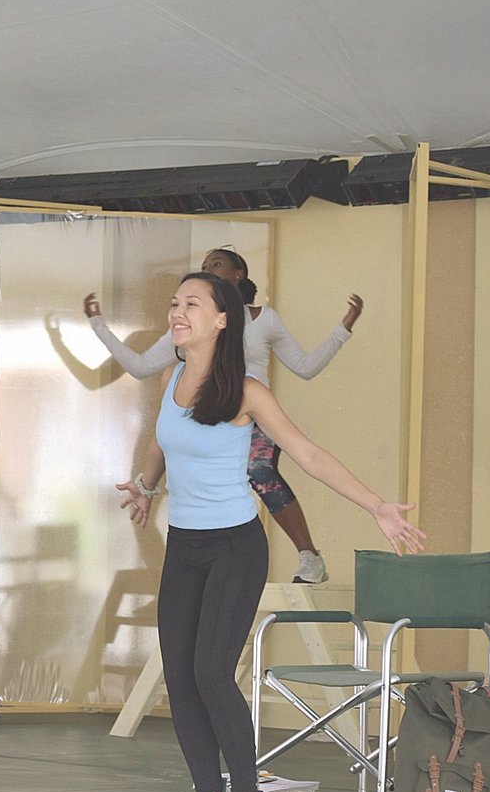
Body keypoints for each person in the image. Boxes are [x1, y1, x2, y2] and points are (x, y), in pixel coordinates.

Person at [117, 271, 423, 792]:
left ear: (222, 320)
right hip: (184, 545)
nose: (177, 312)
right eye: (175, 303)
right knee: (180, 676)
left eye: (191, 304)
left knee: (211, 672)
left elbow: (308, 454)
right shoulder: (174, 376)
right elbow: (163, 439)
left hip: (234, 546)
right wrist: (146, 486)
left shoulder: (247, 392)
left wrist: (376, 505)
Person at [86, 247, 363, 583]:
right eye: (204, 266)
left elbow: (305, 368)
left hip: (251, 415)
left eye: (217, 264)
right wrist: (98, 326)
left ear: (238, 274)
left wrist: (342, 331)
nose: (208, 269)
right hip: (206, 417)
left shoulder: (264, 319)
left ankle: (308, 556)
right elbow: (142, 366)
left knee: (259, 469)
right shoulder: (187, 328)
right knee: (185, 471)